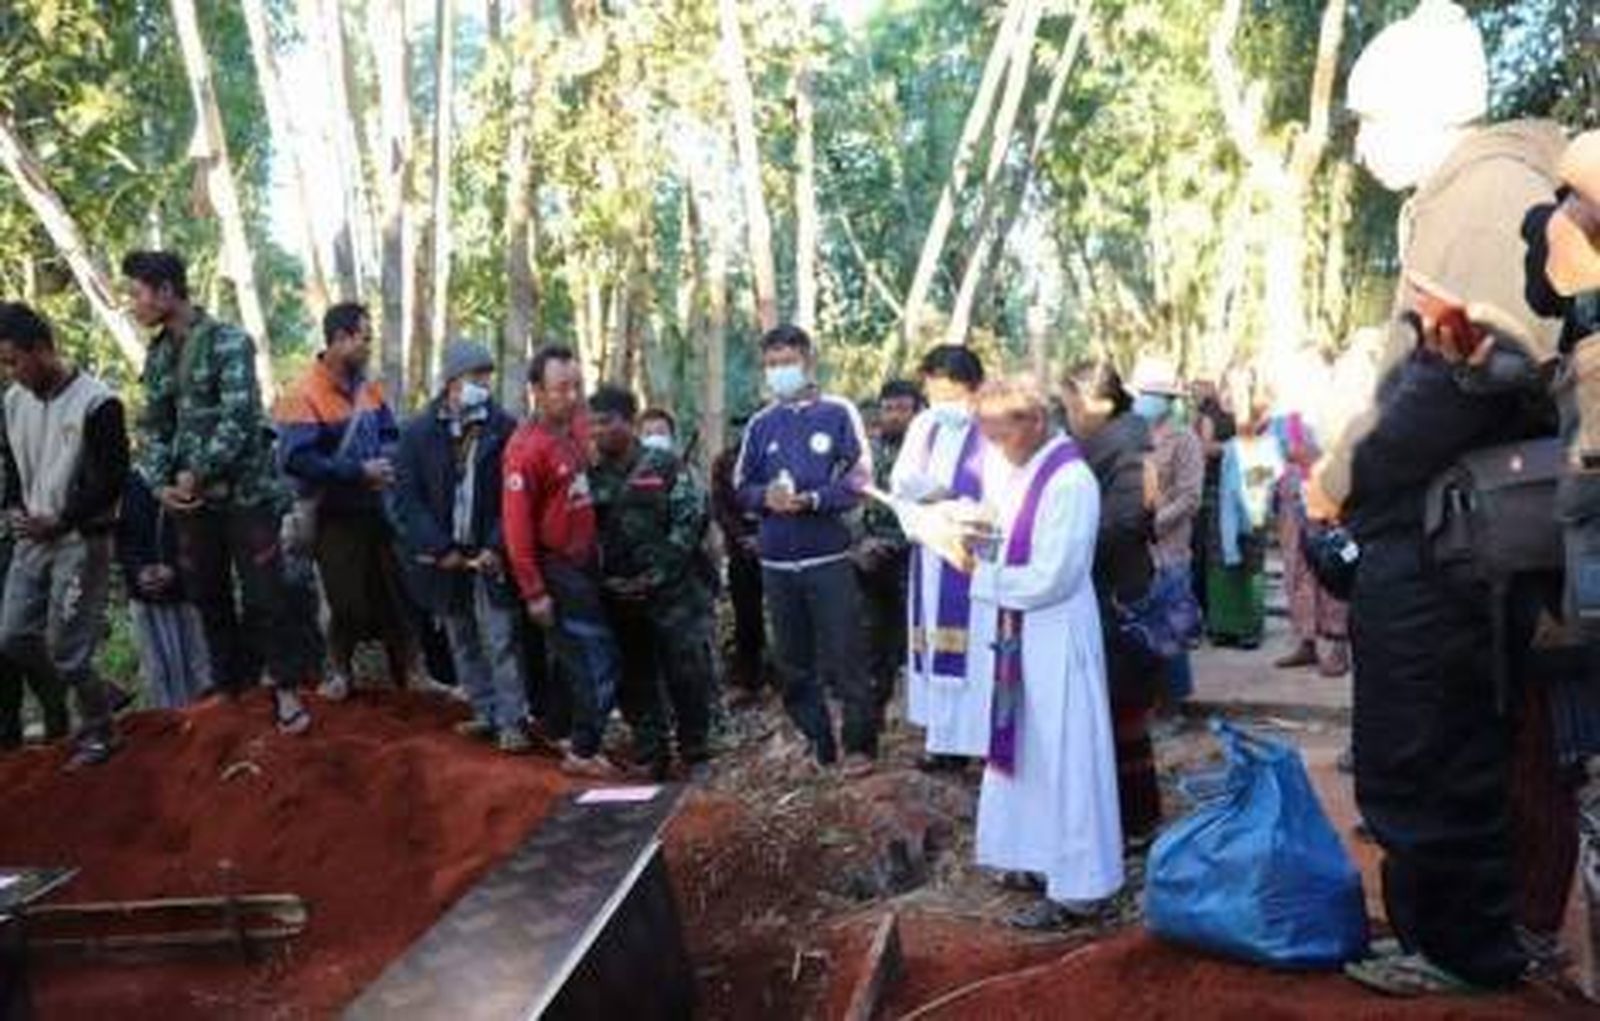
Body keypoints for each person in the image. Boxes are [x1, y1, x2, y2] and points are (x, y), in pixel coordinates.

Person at [1320, 1, 1572, 995]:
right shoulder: (1462, 191)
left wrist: (1347, 482)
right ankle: (1443, 933)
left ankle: (1461, 951)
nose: (1363, 142)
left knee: (1431, 743)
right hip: (1437, 521)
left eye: (1371, 119)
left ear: (1427, 112)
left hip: (1443, 529)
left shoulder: (1483, 194)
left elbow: (1460, 374)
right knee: (1428, 739)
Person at [124, 250, 312, 735]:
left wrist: (197, 473)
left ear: (167, 291)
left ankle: (286, 689)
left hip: (246, 496)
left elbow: (239, 419)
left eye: (138, 293)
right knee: (207, 595)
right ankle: (232, 692)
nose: (133, 304)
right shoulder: (160, 352)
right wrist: (163, 480)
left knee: (265, 595)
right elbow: (154, 424)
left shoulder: (230, 342)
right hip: (193, 506)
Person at [967, 376, 1123, 930]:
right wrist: (973, 534)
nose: (991, 444)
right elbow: (1008, 539)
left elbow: (1055, 576)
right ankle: (1034, 856)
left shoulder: (1070, 480)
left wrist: (979, 573)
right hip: (1022, 634)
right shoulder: (1022, 469)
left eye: (997, 432)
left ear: (1033, 423)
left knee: (1067, 754)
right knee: (1030, 749)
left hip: (1056, 634)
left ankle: (1081, 888)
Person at [734, 325, 877, 774]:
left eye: (788, 362)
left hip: (828, 557)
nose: (780, 371)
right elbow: (740, 484)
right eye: (772, 364)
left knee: (846, 655)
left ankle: (859, 746)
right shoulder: (761, 424)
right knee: (793, 662)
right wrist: (765, 499)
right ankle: (818, 742)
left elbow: (860, 478)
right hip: (776, 560)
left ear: (808, 362)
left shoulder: (838, 412)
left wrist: (814, 499)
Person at [0, 302, 129, 769]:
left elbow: (113, 479)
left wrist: (63, 518)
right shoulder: (13, 403)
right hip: (31, 537)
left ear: (41, 349)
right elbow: (13, 463)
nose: (11, 373)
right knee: (12, 636)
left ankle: (100, 733)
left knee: (67, 650)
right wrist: (14, 507)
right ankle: (100, 688)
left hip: (81, 539)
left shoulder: (98, 402)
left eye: (15, 361)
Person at [393, 341, 530, 753]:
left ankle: (513, 720)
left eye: (487, 377)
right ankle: (484, 710)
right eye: (477, 377)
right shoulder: (417, 432)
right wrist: (437, 547)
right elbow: (407, 499)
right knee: (461, 636)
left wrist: (495, 545)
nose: (484, 385)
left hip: (489, 555)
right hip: (444, 558)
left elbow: (514, 497)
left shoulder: (504, 428)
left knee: (502, 636)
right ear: (453, 382)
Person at [276, 302, 413, 699]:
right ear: (339, 340)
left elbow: (390, 432)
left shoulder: (368, 388)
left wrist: (387, 460)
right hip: (333, 514)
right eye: (364, 338)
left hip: (377, 508)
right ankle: (340, 673)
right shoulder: (301, 393)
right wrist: (356, 472)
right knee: (344, 599)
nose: (369, 346)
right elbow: (296, 458)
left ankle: (412, 674)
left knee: (395, 592)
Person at [503, 345, 622, 777]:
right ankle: (585, 750)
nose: (571, 396)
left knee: (573, 657)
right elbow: (516, 529)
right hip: (556, 569)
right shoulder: (524, 449)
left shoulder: (573, 427)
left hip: (585, 563)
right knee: (599, 658)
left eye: (575, 386)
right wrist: (534, 591)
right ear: (536, 390)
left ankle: (558, 728)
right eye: (560, 389)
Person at [589, 385, 715, 779]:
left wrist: (657, 576)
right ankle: (651, 752)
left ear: (629, 423)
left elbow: (690, 522)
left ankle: (695, 752)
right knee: (634, 677)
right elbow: (581, 534)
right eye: (591, 424)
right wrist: (608, 582)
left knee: (686, 672)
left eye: (605, 423)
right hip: (619, 597)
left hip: (672, 594)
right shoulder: (588, 475)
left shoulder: (664, 465)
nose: (597, 431)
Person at [1061, 360, 1163, 845]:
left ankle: (1134, 821)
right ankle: (1126, 816)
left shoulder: (1124, 445)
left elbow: (1124, 521)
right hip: (1108, 588)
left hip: (1117, 591)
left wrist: (1063, 544)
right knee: (1116, 708)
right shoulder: (1109, 441)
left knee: (1121, 708)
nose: (1068, 416)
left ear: (1099, 403)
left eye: (1071, 405)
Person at [891, 345, 990, 770]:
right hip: (931, 552)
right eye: (933, 390)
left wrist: (960, 507)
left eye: (949, 392)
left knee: (978, 653)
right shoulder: (924, 425)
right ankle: (944, 742)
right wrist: (924, 514)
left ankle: (983, 741)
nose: (940, 402)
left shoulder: (994, 425)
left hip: (974, 555)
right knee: (935, 648)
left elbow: (1003, 491)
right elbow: (900, 482)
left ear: (973, 388)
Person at [1132, 358, 1204, 714]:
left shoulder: (1185, 439)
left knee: (1171, 627)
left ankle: (1173, 706)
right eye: (1145, 393)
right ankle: (1147, 701)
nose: (1149, 400)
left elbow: (1191, 497)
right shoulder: (1133, 435)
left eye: (1155, 395)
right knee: (1142, 628)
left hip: (1169, 548)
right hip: (1134, 548)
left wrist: (1155, 523)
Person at [117, 471, 212, 709]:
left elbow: (203, 528)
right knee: (157, 672)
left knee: (199, 669)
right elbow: (121, 538)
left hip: (189, 592)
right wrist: (139, 571)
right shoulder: (129, 481)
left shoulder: (188, 469)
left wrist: (176, 570)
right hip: (145, 594)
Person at [855, 379, 921, 714]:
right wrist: (861, 541)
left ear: (917, 411)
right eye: (888, 408)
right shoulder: (865, 451)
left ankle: (920, 715)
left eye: (902, 409)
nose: (894, 416)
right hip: (871, 558)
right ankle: (873, 716)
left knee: (916, 639)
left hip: (916, 555)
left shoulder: (928, 451)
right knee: (872, 642)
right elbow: (850, 499)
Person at [1272, 412, 1349, 677]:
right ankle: (1307, 642)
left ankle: (1340, 647)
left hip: (1326, 492)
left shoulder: (1330, 404)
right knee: (1297, 572)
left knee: (1332, 570)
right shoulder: (1285, 415)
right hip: (1292, 498)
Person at [1208, 370, 1281, 650]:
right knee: (1221, 564)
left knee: (1249, 563)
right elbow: (1207, 447)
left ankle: (1249, 628)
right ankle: (1224, 626)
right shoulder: (1217, 412)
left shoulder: (1267, 420)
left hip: (1252, 499)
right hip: (1222, 500)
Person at [712, 416, 767, 698]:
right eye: (738, 428)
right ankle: (750, 676)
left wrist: (765, 537)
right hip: (741, 547)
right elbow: (719, 505)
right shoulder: (724, 461)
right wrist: (742, 538)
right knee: (746, 614)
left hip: (776, 546)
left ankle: (784, 672)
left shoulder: (772, 454)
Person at [1189, 378, 1235, 620]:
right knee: (1213, 550)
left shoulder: (1206, 415)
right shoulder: (1230, 414)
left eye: (1196, 390)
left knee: (1203, 549)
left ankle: (1203, 607)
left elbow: (1205, 449)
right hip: (1224, 486)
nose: (1193, 395)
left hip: (1210, 487)